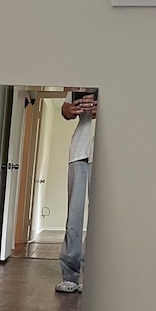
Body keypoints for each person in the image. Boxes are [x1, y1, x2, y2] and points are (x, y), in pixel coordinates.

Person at [55, 88, 97, 293]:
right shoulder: (81, 79)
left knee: (102, 221)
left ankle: (95, 276)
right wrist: (72, 109)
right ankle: (70, 276)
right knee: (74, 216)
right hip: (79, 152)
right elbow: (65, 110)